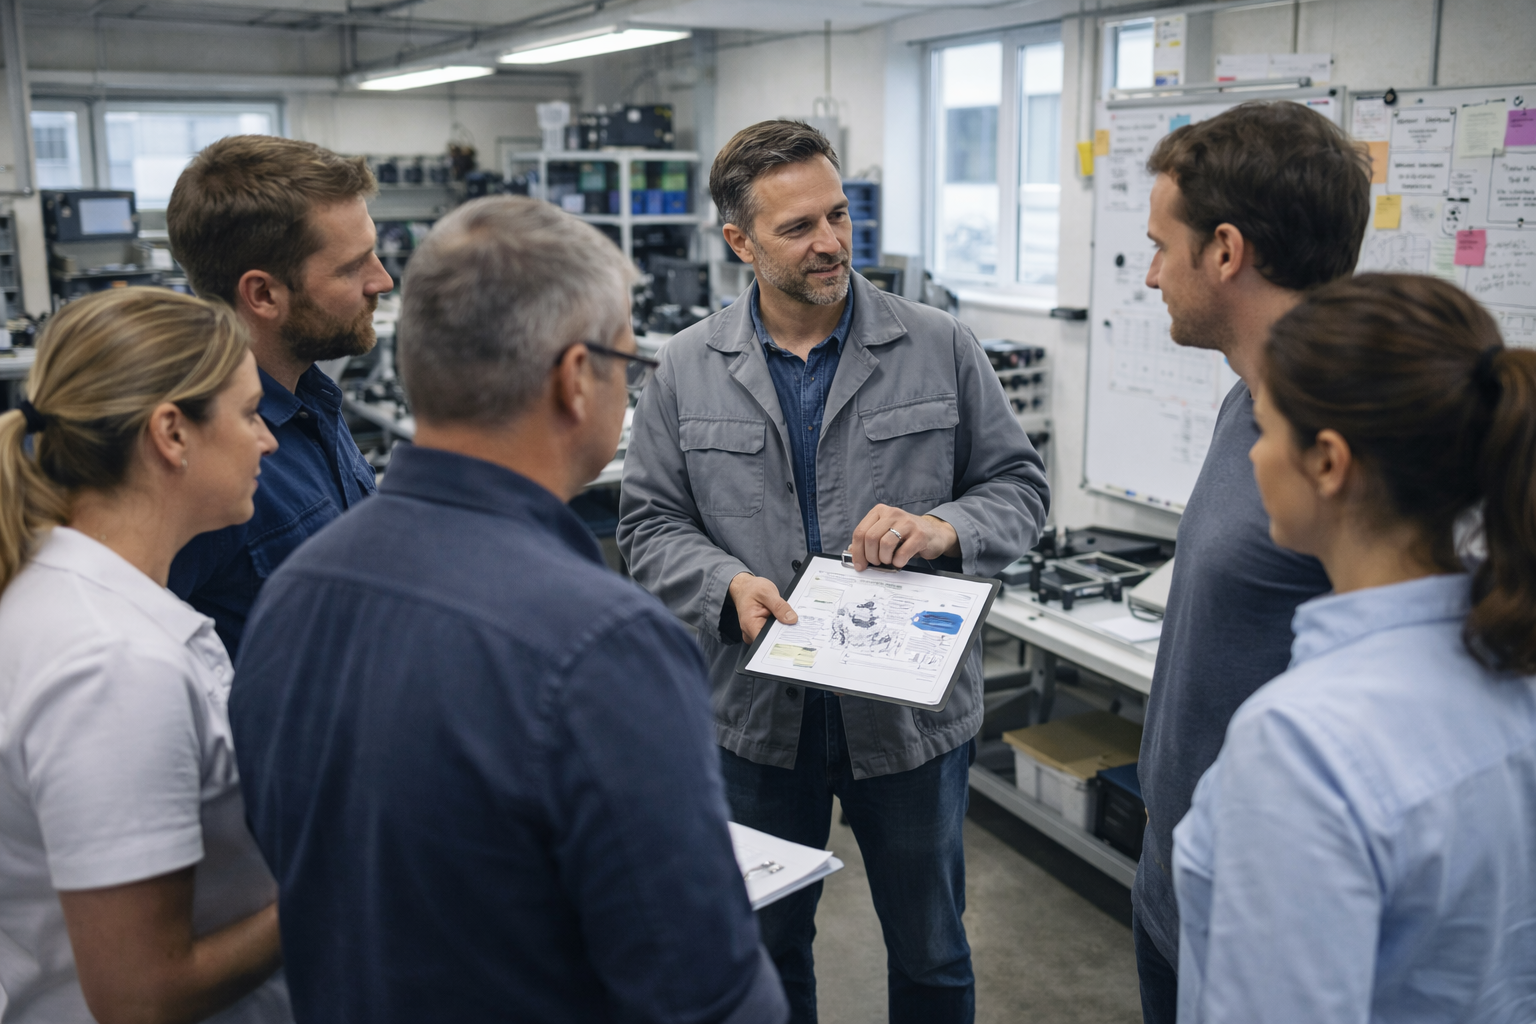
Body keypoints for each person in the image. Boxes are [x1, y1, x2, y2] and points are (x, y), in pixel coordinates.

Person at [229, 197, 788, 1024]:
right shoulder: (605, 648)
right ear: (574, 379)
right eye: (628, 362)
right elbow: (706, 995)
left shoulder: (295, 590)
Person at [618, 120, 1048, 1024]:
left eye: (839, 216)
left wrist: (943, 526)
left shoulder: (939, 345)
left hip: (909, 719)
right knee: (768, 951)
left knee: (932, 950)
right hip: (756, 717)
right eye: (798, 227)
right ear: (738, 241)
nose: (831, 244)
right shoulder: (686, 370)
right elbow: (650, 523)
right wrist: (723, 587)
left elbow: (1018, 487)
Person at [1175, 273, 1536, 1022]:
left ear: (1329, 463)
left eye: (1269, 431)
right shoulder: (1513, 660)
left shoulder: (1302, 746)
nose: (1253, 458)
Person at [1131, 100, 1371, 1021]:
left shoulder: (1352, 448)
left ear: (1226, 251)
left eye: (1163, 245)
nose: (1151, 274)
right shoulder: (1249, 400)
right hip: (1177, 878)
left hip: (1267, 910)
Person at [0, 289, 287, 1024]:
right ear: (172, 433)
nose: (270, 442)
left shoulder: (69, 599)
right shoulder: (113, 665)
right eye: (250, 413)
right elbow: (140, 995)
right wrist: (334, 881)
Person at [166, 135, 394, 657]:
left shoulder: (310, 394)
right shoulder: (194, 460)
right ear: (264, 294)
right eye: (351, 266)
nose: (381, 280)